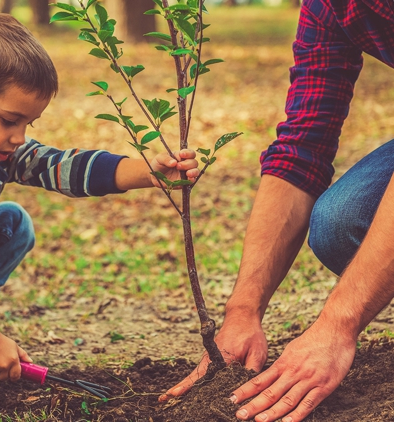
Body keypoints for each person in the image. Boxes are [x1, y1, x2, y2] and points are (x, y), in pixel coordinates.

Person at [0, 13, 200, 394]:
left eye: (28, 125)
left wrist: (147, 172)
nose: (19, 138)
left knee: (12, 224)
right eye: (9, 120)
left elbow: (60, 166)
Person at [160, 0, 394, 421]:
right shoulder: (329, 7)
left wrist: (337, 326)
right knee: (342, 223)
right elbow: (304, 145)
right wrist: (244, 310)